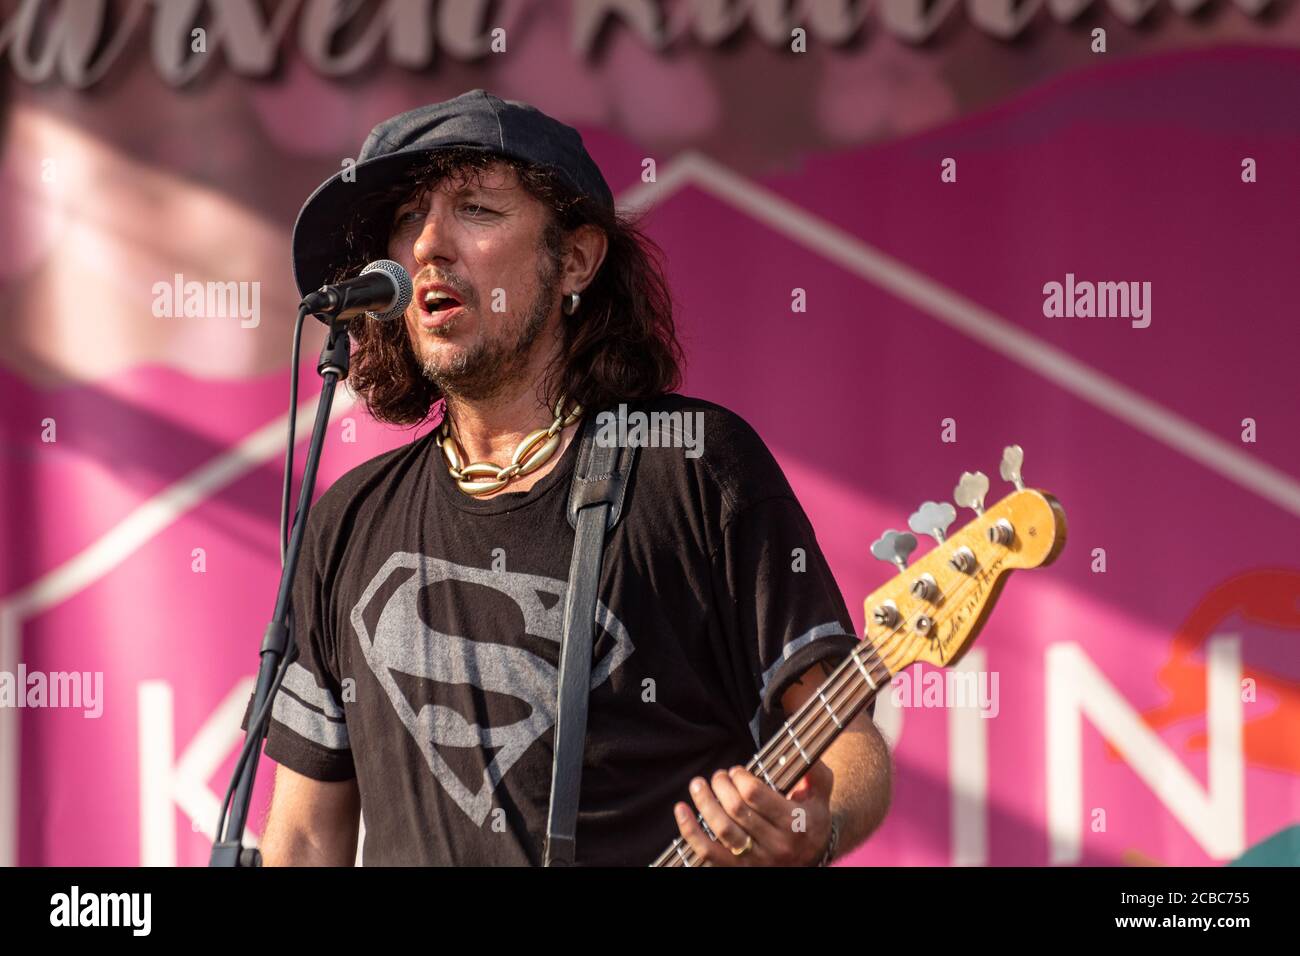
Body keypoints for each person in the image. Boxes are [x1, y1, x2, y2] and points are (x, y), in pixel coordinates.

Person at [259, 89, 891, 866]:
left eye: (477, 210)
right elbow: (300, 835)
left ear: (576, 260)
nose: (426, 245)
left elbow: (849, 744)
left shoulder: (695, 466)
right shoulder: (348, 518)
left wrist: (808, 833)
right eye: (407, 217)